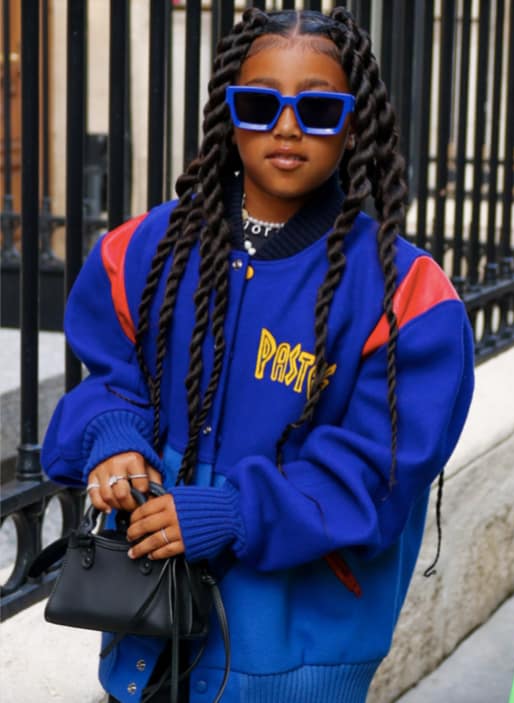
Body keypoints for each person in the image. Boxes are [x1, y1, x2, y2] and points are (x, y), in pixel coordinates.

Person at [41, 7, 475, 703]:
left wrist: (234, 511)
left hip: (296, 654)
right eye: (260, 103)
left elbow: (380, 470)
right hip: (148, 632)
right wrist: (114, 438)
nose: (287, 126)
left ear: (353, 125)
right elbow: (111, 376)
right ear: (228, 114)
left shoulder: (410, 297)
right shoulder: (141, 250)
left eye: (318, 109)